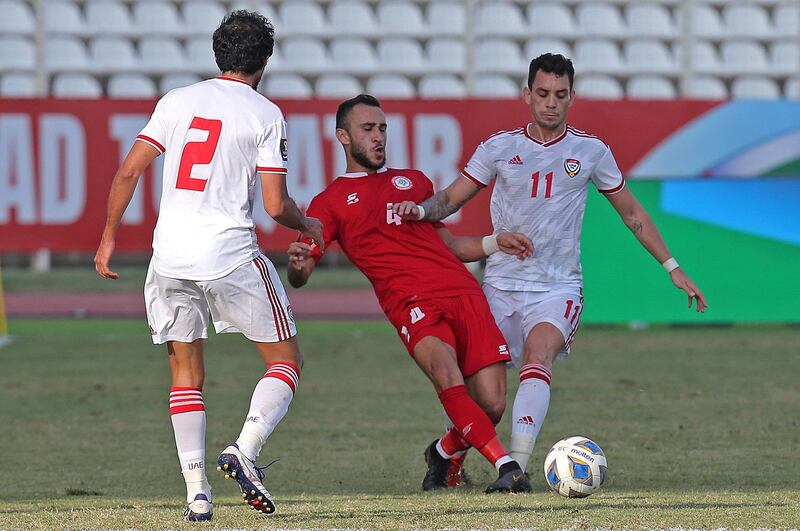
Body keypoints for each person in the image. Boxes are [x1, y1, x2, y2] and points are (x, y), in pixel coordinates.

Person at [392, 53, 708, 482]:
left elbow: (632, 213)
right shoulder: (500, 148)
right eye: (542, 94)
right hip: (499, 286)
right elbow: (449, 199)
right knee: (490, 402)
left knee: (539, 356)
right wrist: (419, 209)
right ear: (527, 95)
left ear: (572, 97)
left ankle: (514, 468)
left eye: (560, 95)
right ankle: (446, 451)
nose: (551, 103)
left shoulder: (591, 152)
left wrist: (672, 266)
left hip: (557, 287)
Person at [93, 11, 323, 521]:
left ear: (217, 55)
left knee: (185, 374)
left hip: (169, 257)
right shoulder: (265, 114)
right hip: (228, 256)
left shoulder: (176, 102)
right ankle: (244, 449)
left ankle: (197, 495)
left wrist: (107, 238)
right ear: (265, 60)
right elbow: (274, 204)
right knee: (286, 361)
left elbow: (129, 170)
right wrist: (308, 226)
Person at [287, 94, 535, 494]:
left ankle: (441, 451)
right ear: (343, 137)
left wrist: (493, 243)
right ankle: (507, 466)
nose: (378, 136)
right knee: (445, 375)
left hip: (463, 292)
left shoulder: (415, 181)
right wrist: (298, 265)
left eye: (382, 128)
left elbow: (449, 246)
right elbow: (302, 272)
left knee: (491, 405)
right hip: (412, 304)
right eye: (368, 129)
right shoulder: (328, 203)